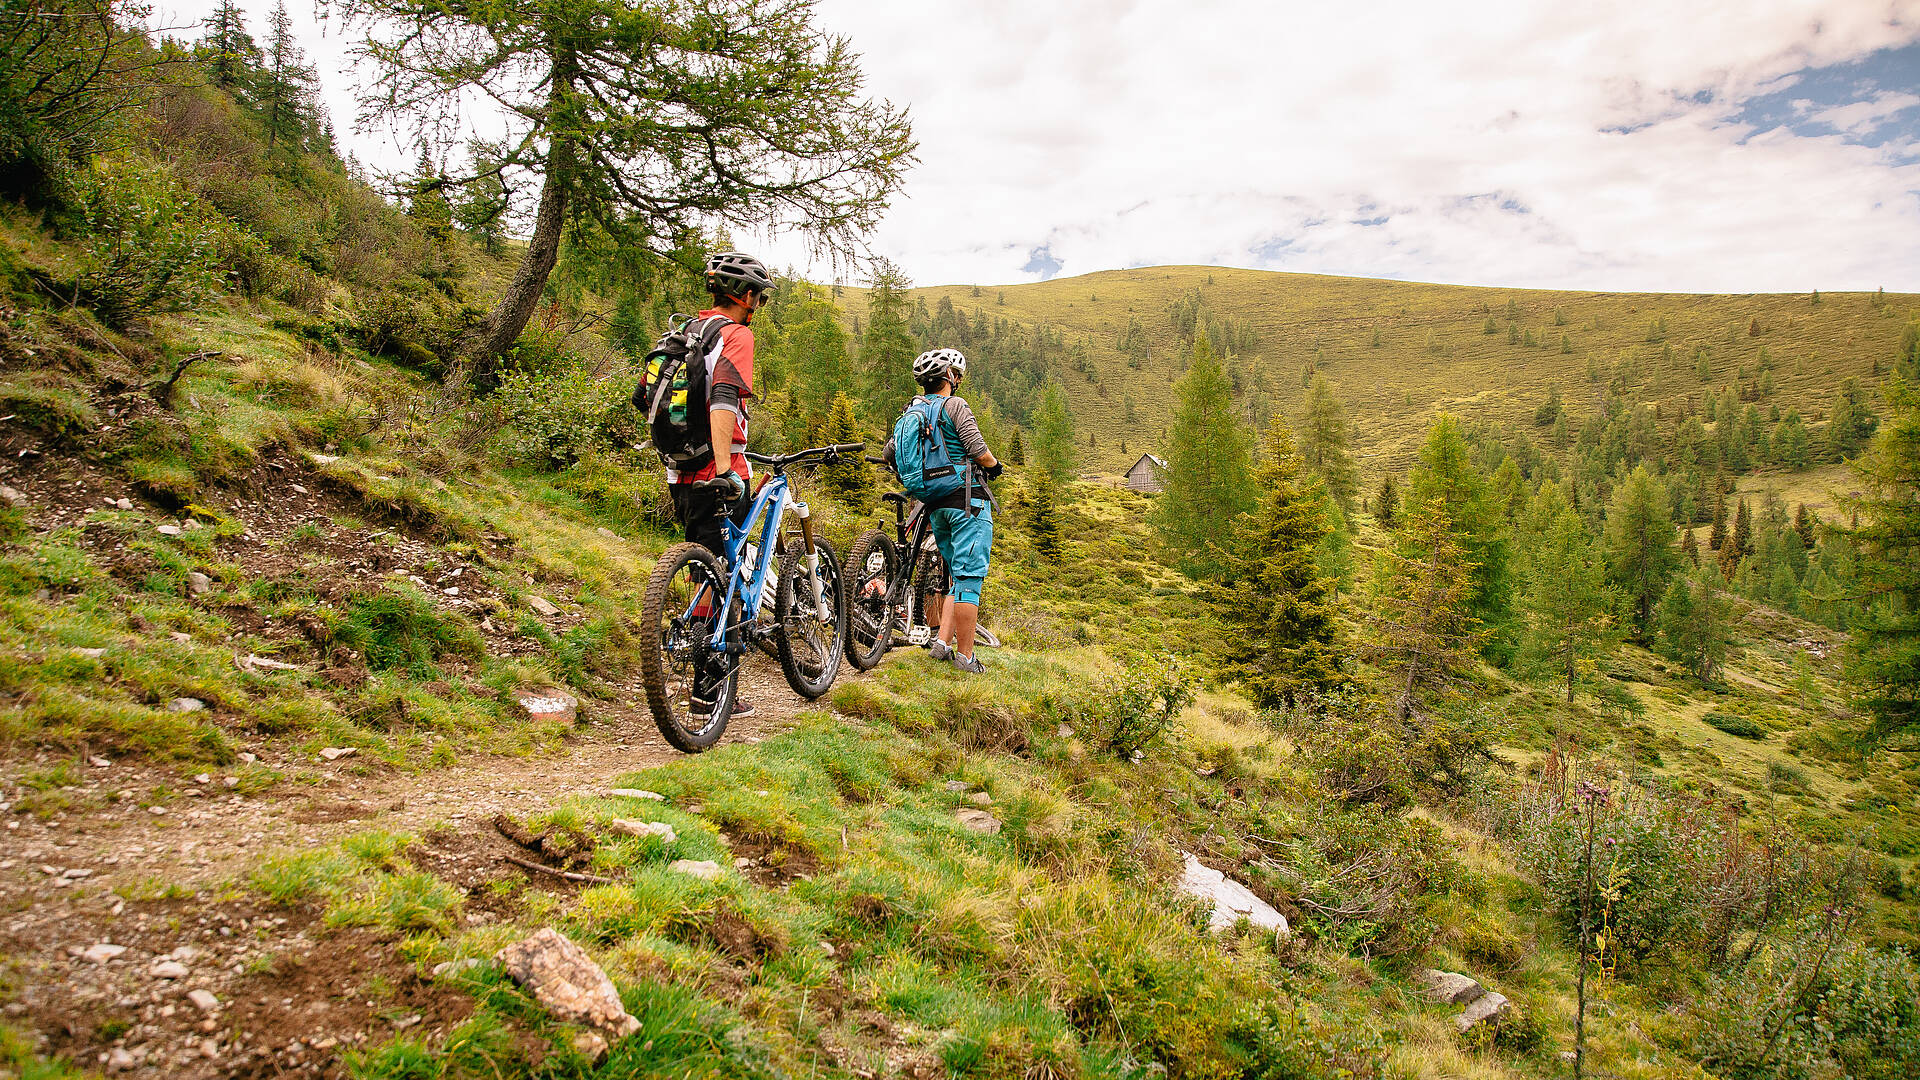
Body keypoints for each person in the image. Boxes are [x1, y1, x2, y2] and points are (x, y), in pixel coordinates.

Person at [671, 251, 773, 719]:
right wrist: (724, 468)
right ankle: (709, 692)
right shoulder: (736, 335)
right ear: (746, 296)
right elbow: (724, 402)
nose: (760, 306)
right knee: (724, 575)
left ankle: (700, 673)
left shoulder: (689, 332)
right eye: (760, 298)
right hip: (718, 468)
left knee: (704, 570)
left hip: (680, 471)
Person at [888, 348, 1002, 673]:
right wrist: (995, 467)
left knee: (956, 577)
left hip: (934, 506)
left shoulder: (913, 411)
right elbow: (977, 448)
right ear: (949, 378)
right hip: (967, 501)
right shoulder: (955, 405)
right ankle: (967, 658)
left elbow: (890, 452)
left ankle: (942, 645)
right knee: (970, 578)